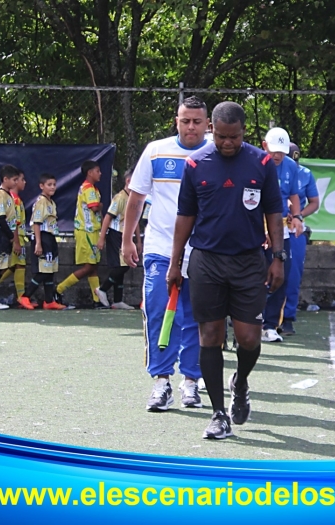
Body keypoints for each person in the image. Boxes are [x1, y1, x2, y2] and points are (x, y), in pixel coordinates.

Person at [168, 101, 284, 440]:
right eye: (220, 136)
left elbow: (274, 211)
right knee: (210, 337)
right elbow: (184, 216)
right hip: (207, 261)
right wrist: (175, 263)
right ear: (211, 131)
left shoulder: (261, 162)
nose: (226, 143)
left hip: (249, 261)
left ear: (243, 133)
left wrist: (278, 257)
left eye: (233, 137)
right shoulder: (195, 164)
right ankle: (219, 413)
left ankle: (241, 381)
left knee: (249, 338)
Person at [122, 95, 209, 412]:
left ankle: (191, 383)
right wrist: (128, 239)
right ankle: (161, 382)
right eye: (184, 120)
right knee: (159, 310)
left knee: (197, 317)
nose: (190, 127)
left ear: (207, 123)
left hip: (203, 251)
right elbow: (136, 199)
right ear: (176, 121)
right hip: (160, 248)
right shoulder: (156, 151)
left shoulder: (218, 151)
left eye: (196, 121)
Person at [260, 128, 302, 343]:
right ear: (264, 145)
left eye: (282, 152)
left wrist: (297, 216)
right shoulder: (255, 163)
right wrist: (263, 229)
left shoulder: (291, 167)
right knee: (256, 275)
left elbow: (293, 194)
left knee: (281, 276)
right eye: (274, 150)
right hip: (257, 229)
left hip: (282, 230)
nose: (277, 155)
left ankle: (270, 325)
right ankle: (251, 320)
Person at [55, 160, 107, 308]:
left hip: (93, 231)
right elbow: (95, 207)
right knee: (89, 266)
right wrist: (100, 206)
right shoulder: (88, 189)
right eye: (97, 171)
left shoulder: (94, 189)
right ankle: (59, 289)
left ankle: (96, 300)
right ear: (89, 172)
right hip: (86, 231)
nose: (100, 173)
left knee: (94, 266)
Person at [280, 142, 319, 336]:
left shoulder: (304, 173)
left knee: (293, 274)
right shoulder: (264, 168)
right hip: (268, 226)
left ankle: (287, 318)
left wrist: (298, 215)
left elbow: (314, 202)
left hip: (293, 228)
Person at [19, 173, 67, 310]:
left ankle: (48, 300)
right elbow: (36, 223)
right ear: (42, 186)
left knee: (50, 270)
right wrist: (38, 243)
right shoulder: (41, 202)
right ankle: (25, 296)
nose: (52, 187)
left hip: (51, 237)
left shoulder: (51, 202)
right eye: (49, 184)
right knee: (43, 271)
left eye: (54, 184)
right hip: (43, 237)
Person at [96, 170, 141, 309]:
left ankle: (117, 299)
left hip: (127, 235)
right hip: (116, 233)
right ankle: (102, 289)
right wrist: (102, 238)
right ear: (128, 181)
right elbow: (108, 217)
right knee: (122, 265)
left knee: (123, 266)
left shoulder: (134, 198)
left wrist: (138, 240)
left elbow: (135, 219)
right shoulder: (120, 198)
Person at [0, 165, 21, 310]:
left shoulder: (8, 196)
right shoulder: (0, 195)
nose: (16, 182)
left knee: (0, 268)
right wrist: (12, 238)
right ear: (5, 179)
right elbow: (1, 218)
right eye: (14, 180)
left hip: (4, 235)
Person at [0, 170, 28, 305]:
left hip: (19, 236)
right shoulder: (13, 200)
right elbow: (14, 222)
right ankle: (22, 297)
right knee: (20, 265)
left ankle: (21, 297)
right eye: (21, 180)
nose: (23, 182)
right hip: (16, 237)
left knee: (14, 266)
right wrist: (16, 241)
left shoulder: (17, 199)